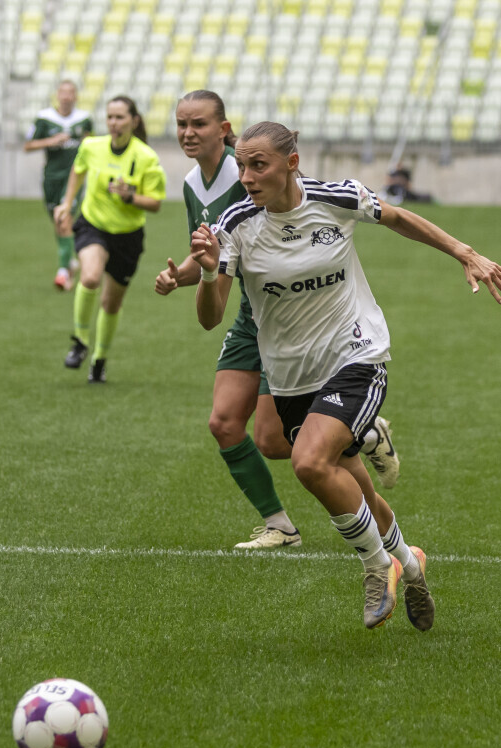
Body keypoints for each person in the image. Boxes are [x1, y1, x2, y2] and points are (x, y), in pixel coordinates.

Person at [191, 120, 501, 630]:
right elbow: (210, 317)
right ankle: (410, 563)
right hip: (291, 376)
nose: (246, 176)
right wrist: (207, 272)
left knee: (310, 463)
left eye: (258, 165)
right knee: (353, 485)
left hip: (357, 354)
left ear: (291, 163)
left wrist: (464, 253)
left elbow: (399, 217)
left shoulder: (336, 198)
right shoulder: (236, 223)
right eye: (242, 165)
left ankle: (378, 567)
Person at [155, 90, 399, 551]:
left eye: (198, 124)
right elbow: (213, 252)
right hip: (250, 316)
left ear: (224, 130)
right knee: (228, 425)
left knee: (300, 445)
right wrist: (182, 275)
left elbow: (289, 214)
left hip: (288, 322)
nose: (188, 133)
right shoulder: (191, 182)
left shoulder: (248, 171)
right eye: (181, 124)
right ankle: (281, 523)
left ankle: (379, 516)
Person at [55, 95, 166, 383]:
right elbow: (78, 170)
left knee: (111, 304)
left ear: (134, 121)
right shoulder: (91, 146)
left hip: (128, 237)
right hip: (93, 225)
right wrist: (66, 203)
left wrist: (130, 197)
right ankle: (80, 341)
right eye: (110, 117)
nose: (114, 123)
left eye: (120, 117)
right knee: (90, 277)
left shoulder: (146, 157)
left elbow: (155, 203)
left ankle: (99, 360)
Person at [24, 80, 93, 291]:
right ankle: (70, 261)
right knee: (58, 220)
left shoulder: (84, 119)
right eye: (63, 92)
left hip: (73, 178)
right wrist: (51, 141)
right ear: (57, 95)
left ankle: (63, 272)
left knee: (64, 219)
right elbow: (28, 145)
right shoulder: (44, 118)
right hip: (51, 178)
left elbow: (91, 145)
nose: (66, 96)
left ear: (76, 96)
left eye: (70, 92)